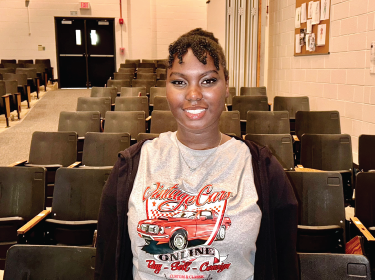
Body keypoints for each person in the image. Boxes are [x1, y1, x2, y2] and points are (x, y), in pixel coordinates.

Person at [95, 28, 298, 280]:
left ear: (226, 87)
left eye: (208, 80)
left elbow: (285, 264)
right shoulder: (132, 166)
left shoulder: (262, 169)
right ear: (166, 89)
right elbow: (107, 263)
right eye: (179, 82)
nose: (193, 95)